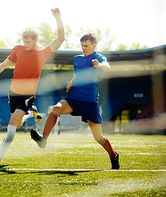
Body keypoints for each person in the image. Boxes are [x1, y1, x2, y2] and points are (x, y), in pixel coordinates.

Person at [0, 8, 65, 167]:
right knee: (17, 124)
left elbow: (60, 39)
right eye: (23, 41)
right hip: (13, 93)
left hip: (27, 96)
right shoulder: (18, 49)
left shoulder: (43, 52)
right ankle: (31, 112)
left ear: (36, 40)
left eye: (28, 42)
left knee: (12, 124)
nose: (25, 44)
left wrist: (58, 19)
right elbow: (3, 65)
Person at [30, 33, 120, 170]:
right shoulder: (77, 59)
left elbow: (107, 67)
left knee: (99, 138)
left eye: (86, 45)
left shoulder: (99, 58)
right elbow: (75, 75)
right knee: (56, 108)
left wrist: (99, 64)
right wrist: (71, 83)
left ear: (94, 45)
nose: (83, 48)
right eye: (82, 45)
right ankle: (43, 139)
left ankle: (113, 155)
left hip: (90, 102)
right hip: (74, 98)